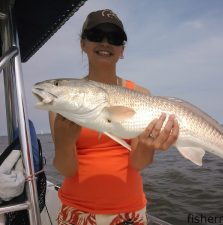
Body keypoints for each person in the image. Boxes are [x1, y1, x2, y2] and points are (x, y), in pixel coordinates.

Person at [49, 9, 179, 225]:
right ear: (83, 43)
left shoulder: (140, 95)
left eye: (115, 38)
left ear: (122, 50)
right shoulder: (65, 98)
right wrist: (64, 144)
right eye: (96, 35)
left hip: (129, 213)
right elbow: (67, 169)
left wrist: (147, 147)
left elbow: (138, 164)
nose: (106, 42)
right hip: (77, 211)